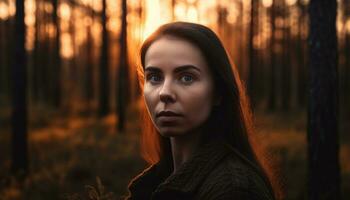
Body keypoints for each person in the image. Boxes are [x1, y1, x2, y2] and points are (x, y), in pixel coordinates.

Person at [125, 22, 281, 200]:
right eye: (154, 77)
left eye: (186, 77)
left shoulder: (234, 190)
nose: (165, 92)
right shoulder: (159, 178)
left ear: (218, 92)